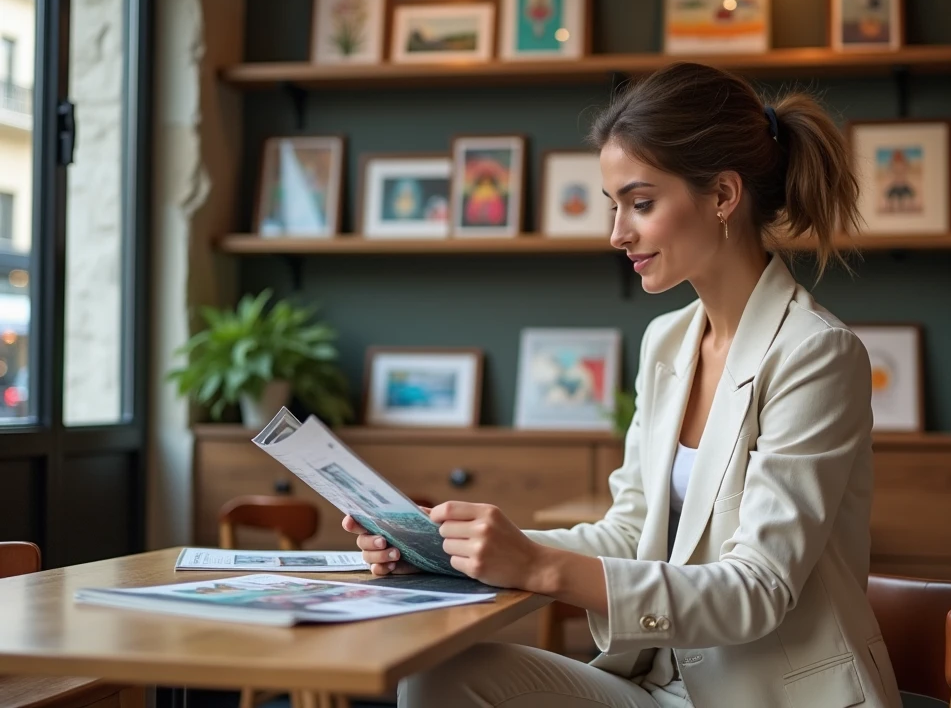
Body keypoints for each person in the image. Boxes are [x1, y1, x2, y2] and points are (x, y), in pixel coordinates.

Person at [342, 61, 903, 708]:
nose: (617, 233)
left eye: (641, 204)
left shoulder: (816, 355)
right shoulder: (669, 341)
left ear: (722, 196)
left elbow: (758, 590)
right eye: (615, 207)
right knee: (438, 676)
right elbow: (629, 533)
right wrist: (456, 552)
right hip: (658, 687)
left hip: (769, 697)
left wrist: (539, 567)